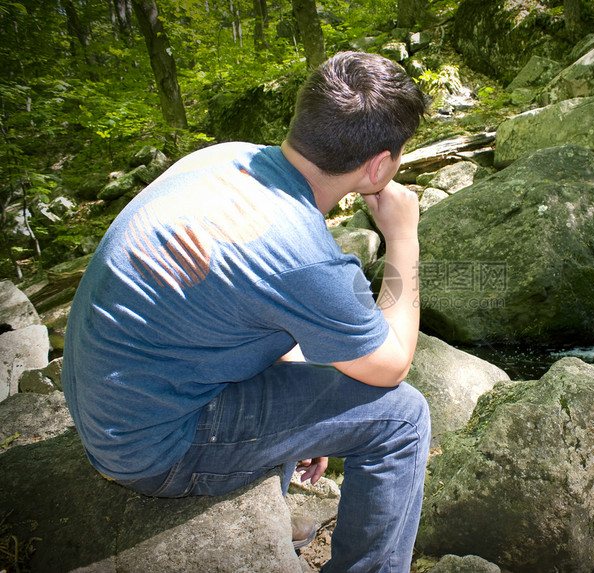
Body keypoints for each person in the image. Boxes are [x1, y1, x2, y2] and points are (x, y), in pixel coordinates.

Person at [62, 51, 432, 572]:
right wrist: (402, 234)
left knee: (296, 347)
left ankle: (274, 518)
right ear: (378, 166)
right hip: (149, 445)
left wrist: (308, 425)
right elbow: (391, 365)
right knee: (403, 417)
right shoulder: (301, 252)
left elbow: (245, 305)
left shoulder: (224, 157)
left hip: (107, 399)